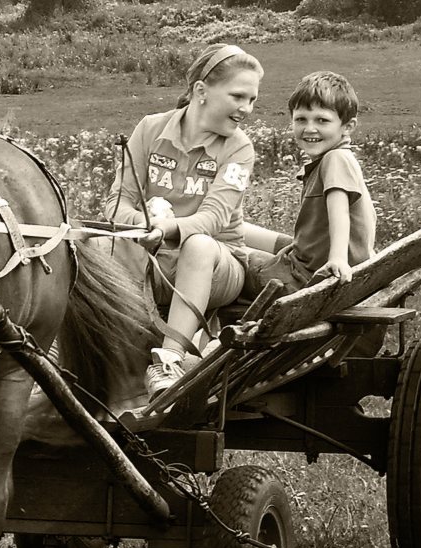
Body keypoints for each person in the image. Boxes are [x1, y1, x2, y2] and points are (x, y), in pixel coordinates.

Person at [102, 43, 263, 396]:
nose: (246, 108)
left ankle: (169, 361)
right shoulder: (150, 129)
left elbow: (214, 217)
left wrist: (167, 229)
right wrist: (144, 225)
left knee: (199, 245)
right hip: (152, 255)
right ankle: (100, 353)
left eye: (252, 99)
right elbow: (117, 202)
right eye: (238, 96)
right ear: (201, 91)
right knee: (94, 246)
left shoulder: (239, 148)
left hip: (217, 264)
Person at [242, 71, 376, 297]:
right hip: (308, 261)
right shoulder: (335, 158)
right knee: (235, 230)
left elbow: (340, 212)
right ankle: (217, 227)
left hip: (305, 278)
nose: (309, 128)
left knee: (230, 257)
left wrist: (337, 259)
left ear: (348, 126)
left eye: (322, 120)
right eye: (301, 119)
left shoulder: (336, 159)